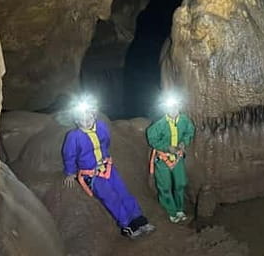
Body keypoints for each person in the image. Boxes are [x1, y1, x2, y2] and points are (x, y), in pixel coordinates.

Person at [62, 96, 155, 238]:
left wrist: (104, 158)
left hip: (107, 168)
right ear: (76, 120)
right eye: (82, 119)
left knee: (123, 191)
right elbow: (69, 155)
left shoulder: (101, 126)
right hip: (91, 174)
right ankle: (126, 225)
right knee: (110, 197)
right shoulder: (73, 136)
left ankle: (139, 219)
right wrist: (70, 172)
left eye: (89, 117)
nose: (86, 122)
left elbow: (106, 142)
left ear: (94, 115)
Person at [146, 92, 196, 223]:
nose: (173, 110)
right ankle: (171, 211)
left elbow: (190, 131)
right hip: (163, 160)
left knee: (180, 183)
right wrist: (167, 147)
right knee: (165, 186)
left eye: (175, 106)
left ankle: (180, 209)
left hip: (177, 158)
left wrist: (184, 142)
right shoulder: (160, 124)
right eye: (170, 107)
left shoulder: (185, 121)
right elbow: (151, 139)